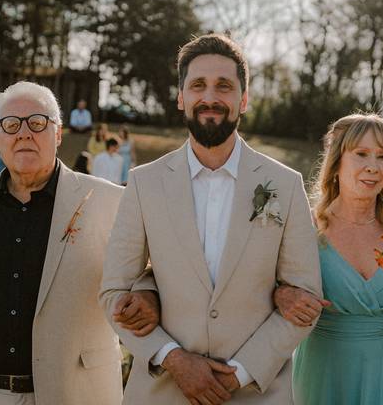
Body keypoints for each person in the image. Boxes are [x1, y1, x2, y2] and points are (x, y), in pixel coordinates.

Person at [100, 34, 324, 404]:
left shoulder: (284, 184)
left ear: (243, 99)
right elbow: (113, 291)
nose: (210, 97)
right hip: (162, 392)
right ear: (181, 97)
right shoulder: (143, 184)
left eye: (224, 86)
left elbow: (307, 297)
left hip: (256, 393)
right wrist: (172, 358)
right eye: (198, 85)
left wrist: (241, 373)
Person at [0, 81, 134, 405]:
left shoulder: (110, 201)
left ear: (58, 134)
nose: (24, 133)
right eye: (11, 125)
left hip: (76, 391)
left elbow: (142, 278)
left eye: (38, 122)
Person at [278, 113, 383, 405]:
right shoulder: (306, 229)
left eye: (382, 156)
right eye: (361, 154)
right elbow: (267, 294)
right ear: (336, 162)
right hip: (323, 377)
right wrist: (281, 295)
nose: (373, 166)